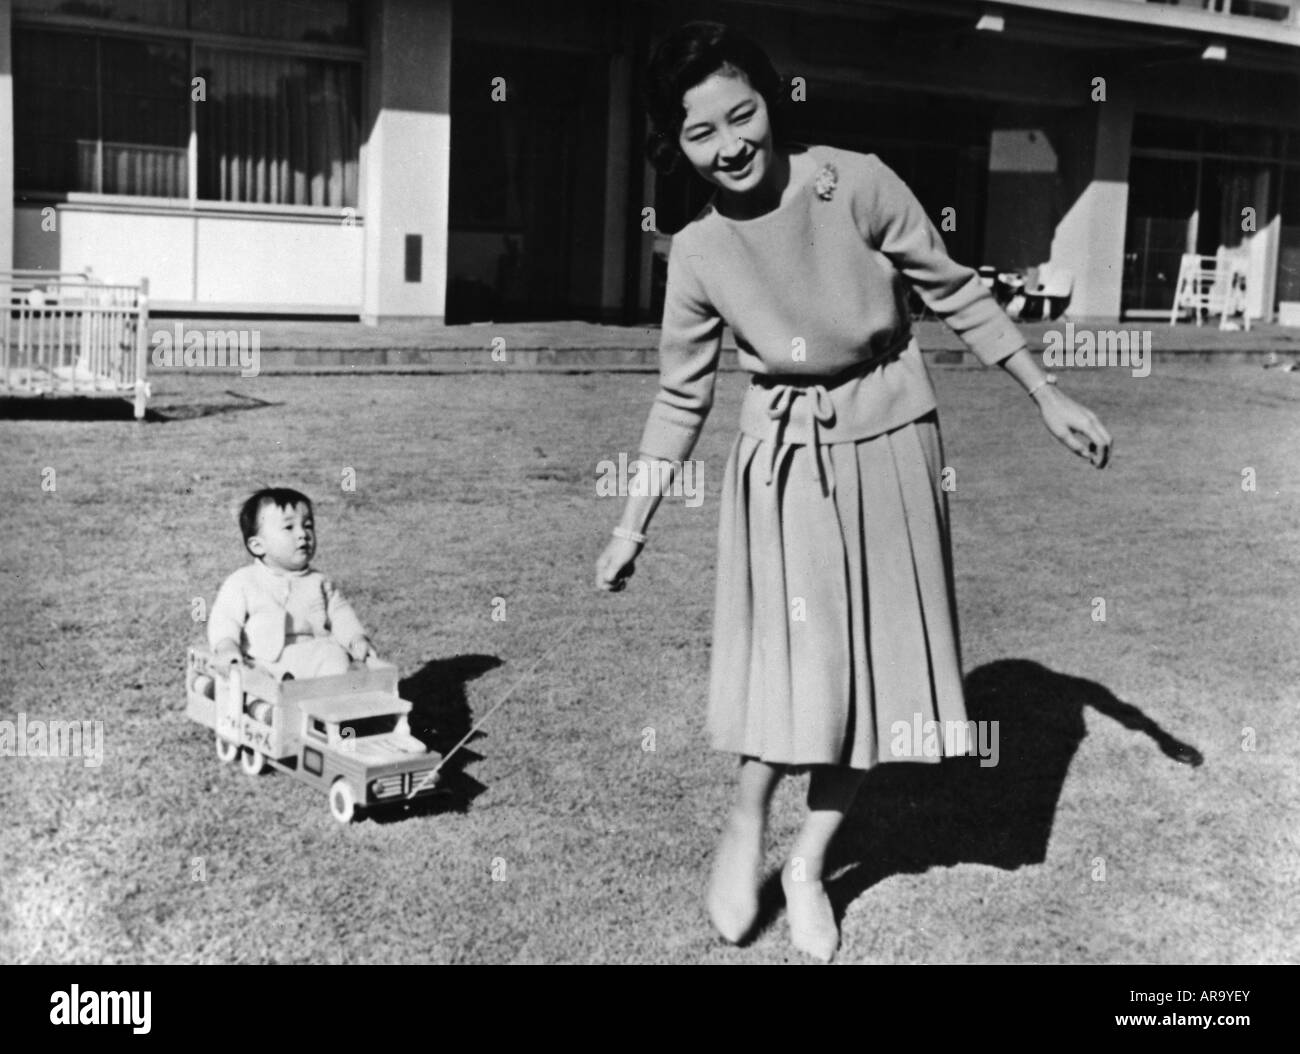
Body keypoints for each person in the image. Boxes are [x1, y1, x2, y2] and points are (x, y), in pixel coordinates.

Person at [594, 21, 1111, 962]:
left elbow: (953, 290)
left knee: (876, 677)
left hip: (893, 437)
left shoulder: (854, 180)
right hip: (781, 458)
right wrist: (633, 525)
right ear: (679, 146)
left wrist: (1046, 393)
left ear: (771, 104)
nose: (732, 145)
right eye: (703, 133)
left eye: (743, 115)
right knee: (796, 665)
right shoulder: (700, 250)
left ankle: (811, 862)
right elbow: (681, 393)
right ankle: (747, 819)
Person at [209, 487, 375, 682]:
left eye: (308, 525)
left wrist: (355, 638)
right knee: (251, 677)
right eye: (289, 527)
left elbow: (340, 614)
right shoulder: (243, 581)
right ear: (257, 545)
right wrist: (226, 645)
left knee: (335, 659)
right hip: (265, 661)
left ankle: (327, 707)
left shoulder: (319, 582)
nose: (302, 534)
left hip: (315, 656)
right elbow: (225, 618)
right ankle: (276, 704)